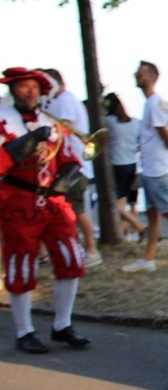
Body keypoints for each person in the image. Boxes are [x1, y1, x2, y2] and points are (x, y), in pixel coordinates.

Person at [0, 67, 91, 353]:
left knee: (71, 257)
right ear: (13, 89)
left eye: (34, 87)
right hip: (18, 203)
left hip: (53, 204)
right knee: (21, 266)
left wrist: (64, 180)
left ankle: (62, 325)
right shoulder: (3, 120)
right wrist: (29, 140)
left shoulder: (51, 121)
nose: (30, 92)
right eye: (24, 86)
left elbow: (70, 156)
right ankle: (24, 331)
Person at [121, 61, 168, 273]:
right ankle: (148, 259)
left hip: (157, 169)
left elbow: (164, 133)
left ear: (153, 77)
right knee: (154, 214)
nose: (137, 76)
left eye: (141, 74)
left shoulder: (154, 102)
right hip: (150, 168)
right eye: (136, 73)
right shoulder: (150, 103)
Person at [41, 69, 102, 267]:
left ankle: (92, 251)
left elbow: (62, 129)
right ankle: (80, 248)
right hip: (71, 164)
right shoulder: (60, 100)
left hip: (74, 164)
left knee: (76, 208)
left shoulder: (65, 99)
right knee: (71, 208)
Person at [102, 92, 147, 241]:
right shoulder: (135, 122)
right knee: (125, 201)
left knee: (117, 205)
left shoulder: (108, 121)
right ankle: (124, 231)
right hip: (132, 165)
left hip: (117, 165)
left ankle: (139, 226)